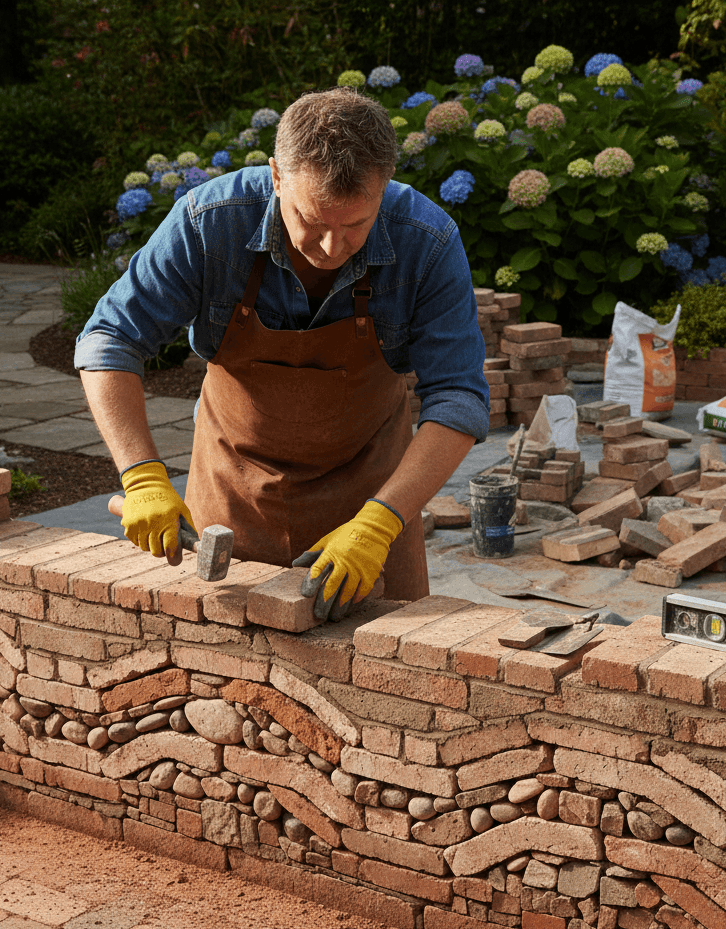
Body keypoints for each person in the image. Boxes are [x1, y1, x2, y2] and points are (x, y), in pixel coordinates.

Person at [75, 88, 490, 620]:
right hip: (232, 491)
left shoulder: (426, 241)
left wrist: (380, 524)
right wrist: (141, 475)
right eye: (312, 222)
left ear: (385, 186)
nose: (331, 248)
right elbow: (110, 338)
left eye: (355, 226)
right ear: (276, 176)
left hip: (371, 492)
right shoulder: (211, 222)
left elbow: (458, 397)